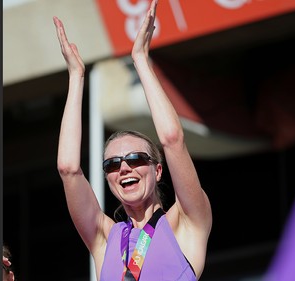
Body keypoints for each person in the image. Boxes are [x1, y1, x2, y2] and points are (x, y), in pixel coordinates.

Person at [54, 0, 212, 280]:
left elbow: (172, 139)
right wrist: (76, 77)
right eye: (113, 165)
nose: (123, 168)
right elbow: (68, 168)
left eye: (135, 159)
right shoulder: (104, 238)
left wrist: (140, 59)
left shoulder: (187, 222)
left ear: (157, 169)